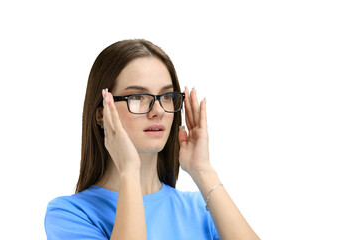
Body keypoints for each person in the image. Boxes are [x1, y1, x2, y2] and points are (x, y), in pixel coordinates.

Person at [44, 39, 259, 240]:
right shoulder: (70, 214)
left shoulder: (203, 208)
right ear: (101, 114)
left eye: (166, 96)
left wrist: (202, 170)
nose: (158, 111)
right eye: (137, 97)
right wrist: (129, 171)